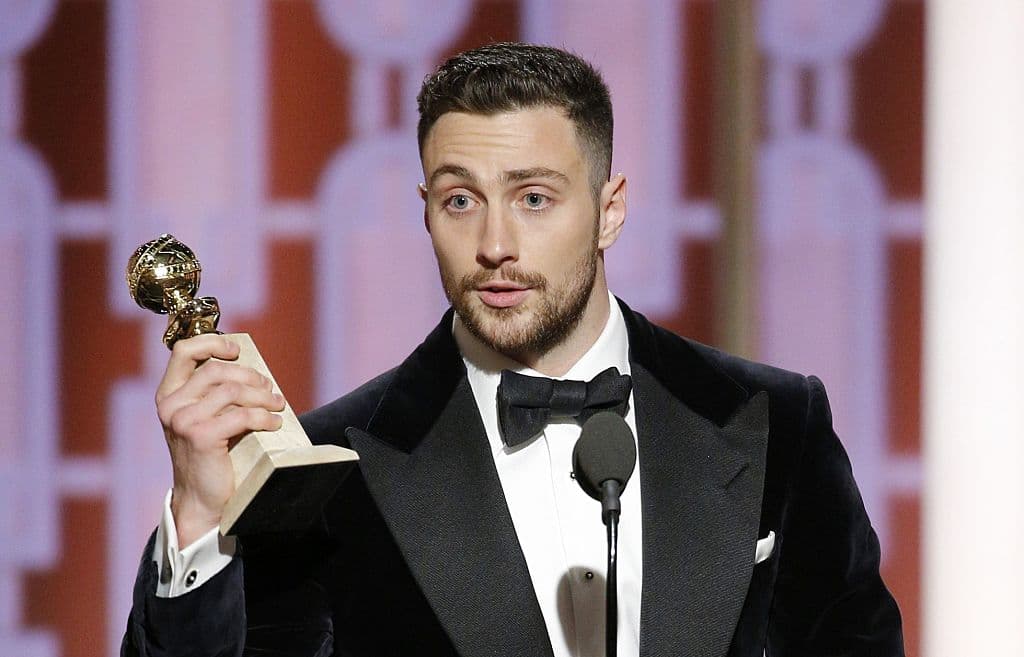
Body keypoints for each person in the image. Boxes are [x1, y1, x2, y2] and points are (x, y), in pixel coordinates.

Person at [121, 42, 904, 657]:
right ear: (425, 211)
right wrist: (198, 518)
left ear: (609, 210)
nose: (494, 244)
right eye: (461, 200)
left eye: (534, 198)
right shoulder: (333, 467)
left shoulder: (776, 420)